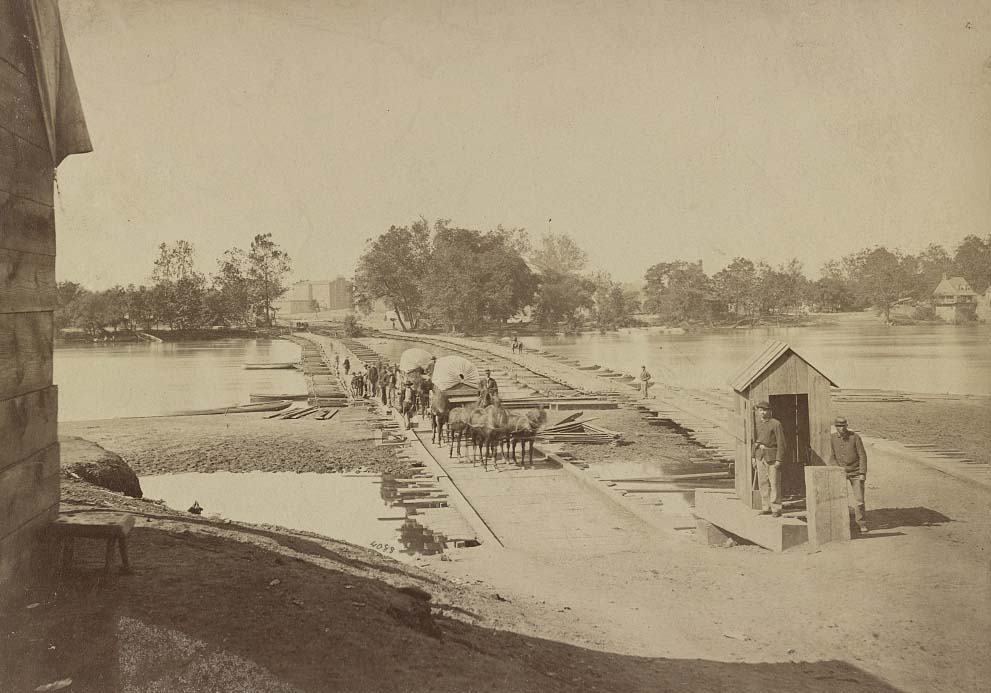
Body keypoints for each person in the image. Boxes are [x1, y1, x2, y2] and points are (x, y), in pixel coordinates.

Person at [829, 416, 869, 533]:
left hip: (856, 472)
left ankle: (861, 523)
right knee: (839, 498)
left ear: (847, 425)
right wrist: (838, 470)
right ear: (835, 427)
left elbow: (862, 456)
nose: (841, 428)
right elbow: (832, 457)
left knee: (859, 500)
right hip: (841, 472)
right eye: (839, 426)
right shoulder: (832, 438)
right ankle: (842, 523)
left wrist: (862, 473)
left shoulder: (855, 437)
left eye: (843, 426)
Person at [752, 400, 785, 517]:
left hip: (772, 457)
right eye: (760, 410)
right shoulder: (757, 424)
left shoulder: (776, 424)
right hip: (760, 456)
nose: (762, 413)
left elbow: (781, 443)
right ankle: (766, 507)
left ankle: (776, 508)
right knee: (762, 483)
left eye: (765, 410)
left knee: (774, 483)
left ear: (770, 411)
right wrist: (753, 457)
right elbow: (754, 441)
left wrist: (779, 459)